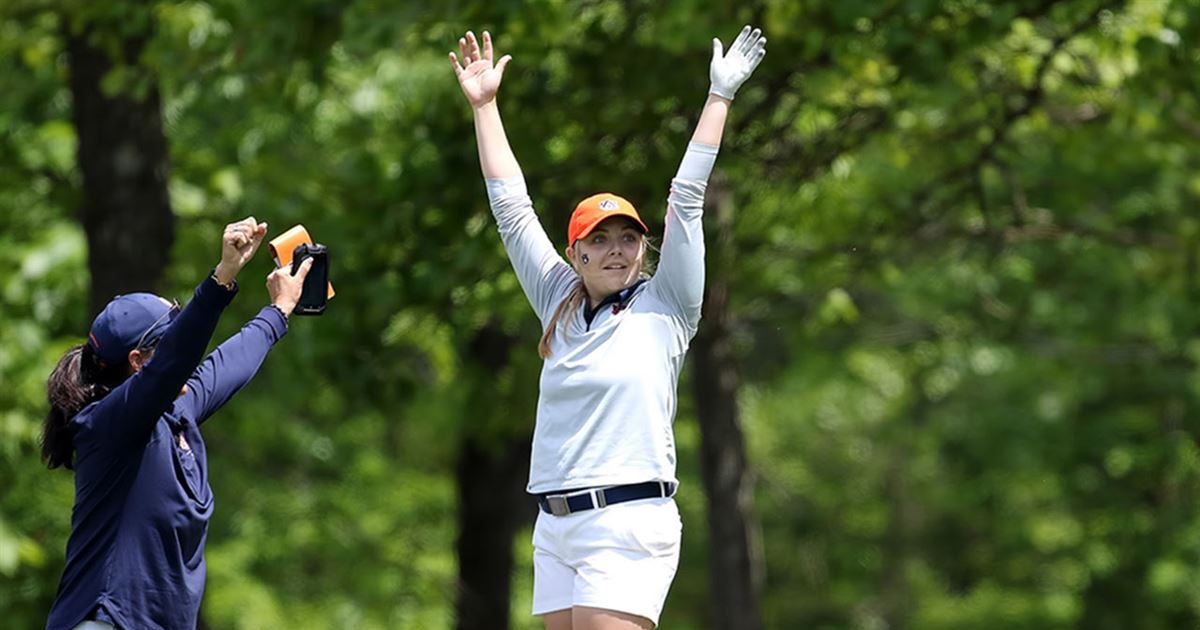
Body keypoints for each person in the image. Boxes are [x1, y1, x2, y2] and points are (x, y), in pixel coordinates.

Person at [450, 25, 767, 630]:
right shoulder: (558, 301)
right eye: (600, 240)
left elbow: (688, 197)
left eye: (629, 238)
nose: (618, 249)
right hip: (556, 524)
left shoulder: (667, 304)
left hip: (627, 519)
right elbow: (511, 208)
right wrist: (486, 107)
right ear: (577, 255)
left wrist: (719, 96)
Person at [41, 217, 314, 630]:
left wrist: (279, 310)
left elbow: (226, 364)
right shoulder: (111, 424)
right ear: (138, 363)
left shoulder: (175, 411)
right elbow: (175, 361)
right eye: (169, 339)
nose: (183, 353)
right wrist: (222, 276)